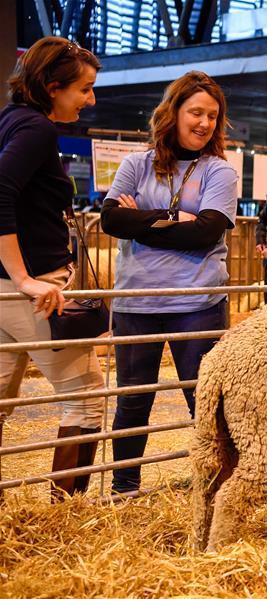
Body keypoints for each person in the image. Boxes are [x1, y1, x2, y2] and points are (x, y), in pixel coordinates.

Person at [100, 71, 238, 494]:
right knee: (132, 402)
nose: (204, 123)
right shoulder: (135, 164)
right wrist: (175, 218)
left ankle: (216, 490)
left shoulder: (219, 171)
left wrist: (140, 220)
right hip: (136, 302)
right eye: (196, 112)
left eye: (213, 116)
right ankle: (125, 491)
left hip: (197, 302)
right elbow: (110, 219)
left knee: (207, 403)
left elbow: (206, 232)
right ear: (173, 112)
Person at [0, 37, 104, 500]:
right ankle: (65, 512)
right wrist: (23, 278)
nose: (90, 99)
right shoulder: (37, 129)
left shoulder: (9, 121)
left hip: (4, 292)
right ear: (51, 85)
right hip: (31, 291)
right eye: (83, 89)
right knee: (86, 398)